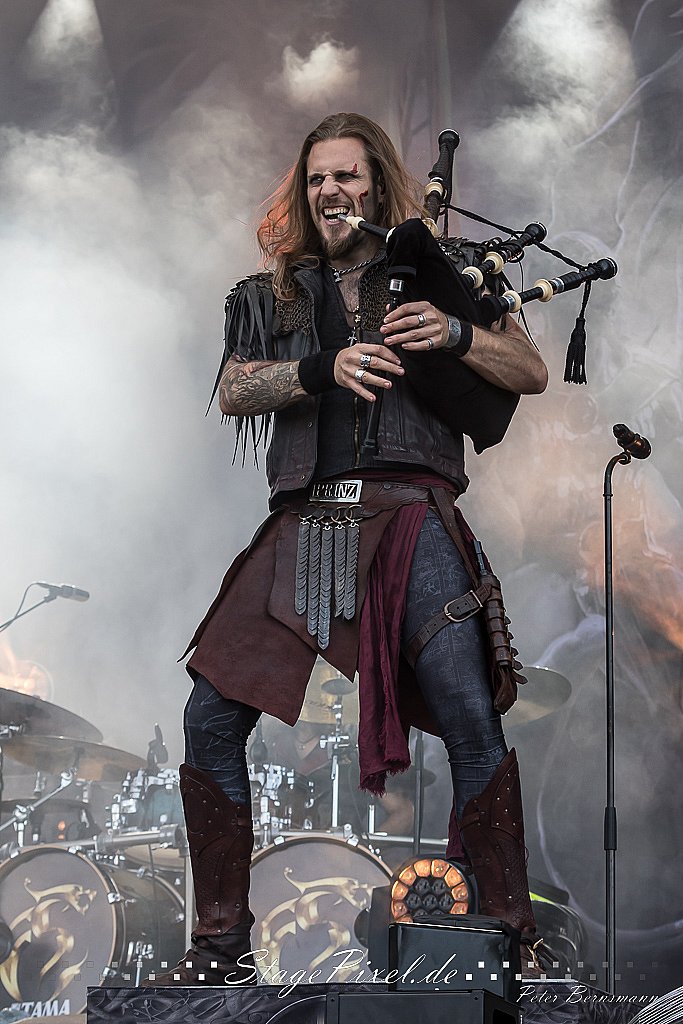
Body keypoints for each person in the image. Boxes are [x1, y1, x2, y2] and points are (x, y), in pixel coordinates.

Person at [148, 112, 549, 987]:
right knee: (209, 720)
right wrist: (319, 369)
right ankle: (219, 949)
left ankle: (509, 942)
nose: (331, 191)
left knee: (470, 715)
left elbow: (528, 370)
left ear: (377, 184)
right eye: (317, 178)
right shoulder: (270, 294)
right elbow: (233, 390)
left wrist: (453, 333)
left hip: (409, 512)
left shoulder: (441, 273)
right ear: (305, 192)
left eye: (348, 176)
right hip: (307, 520)